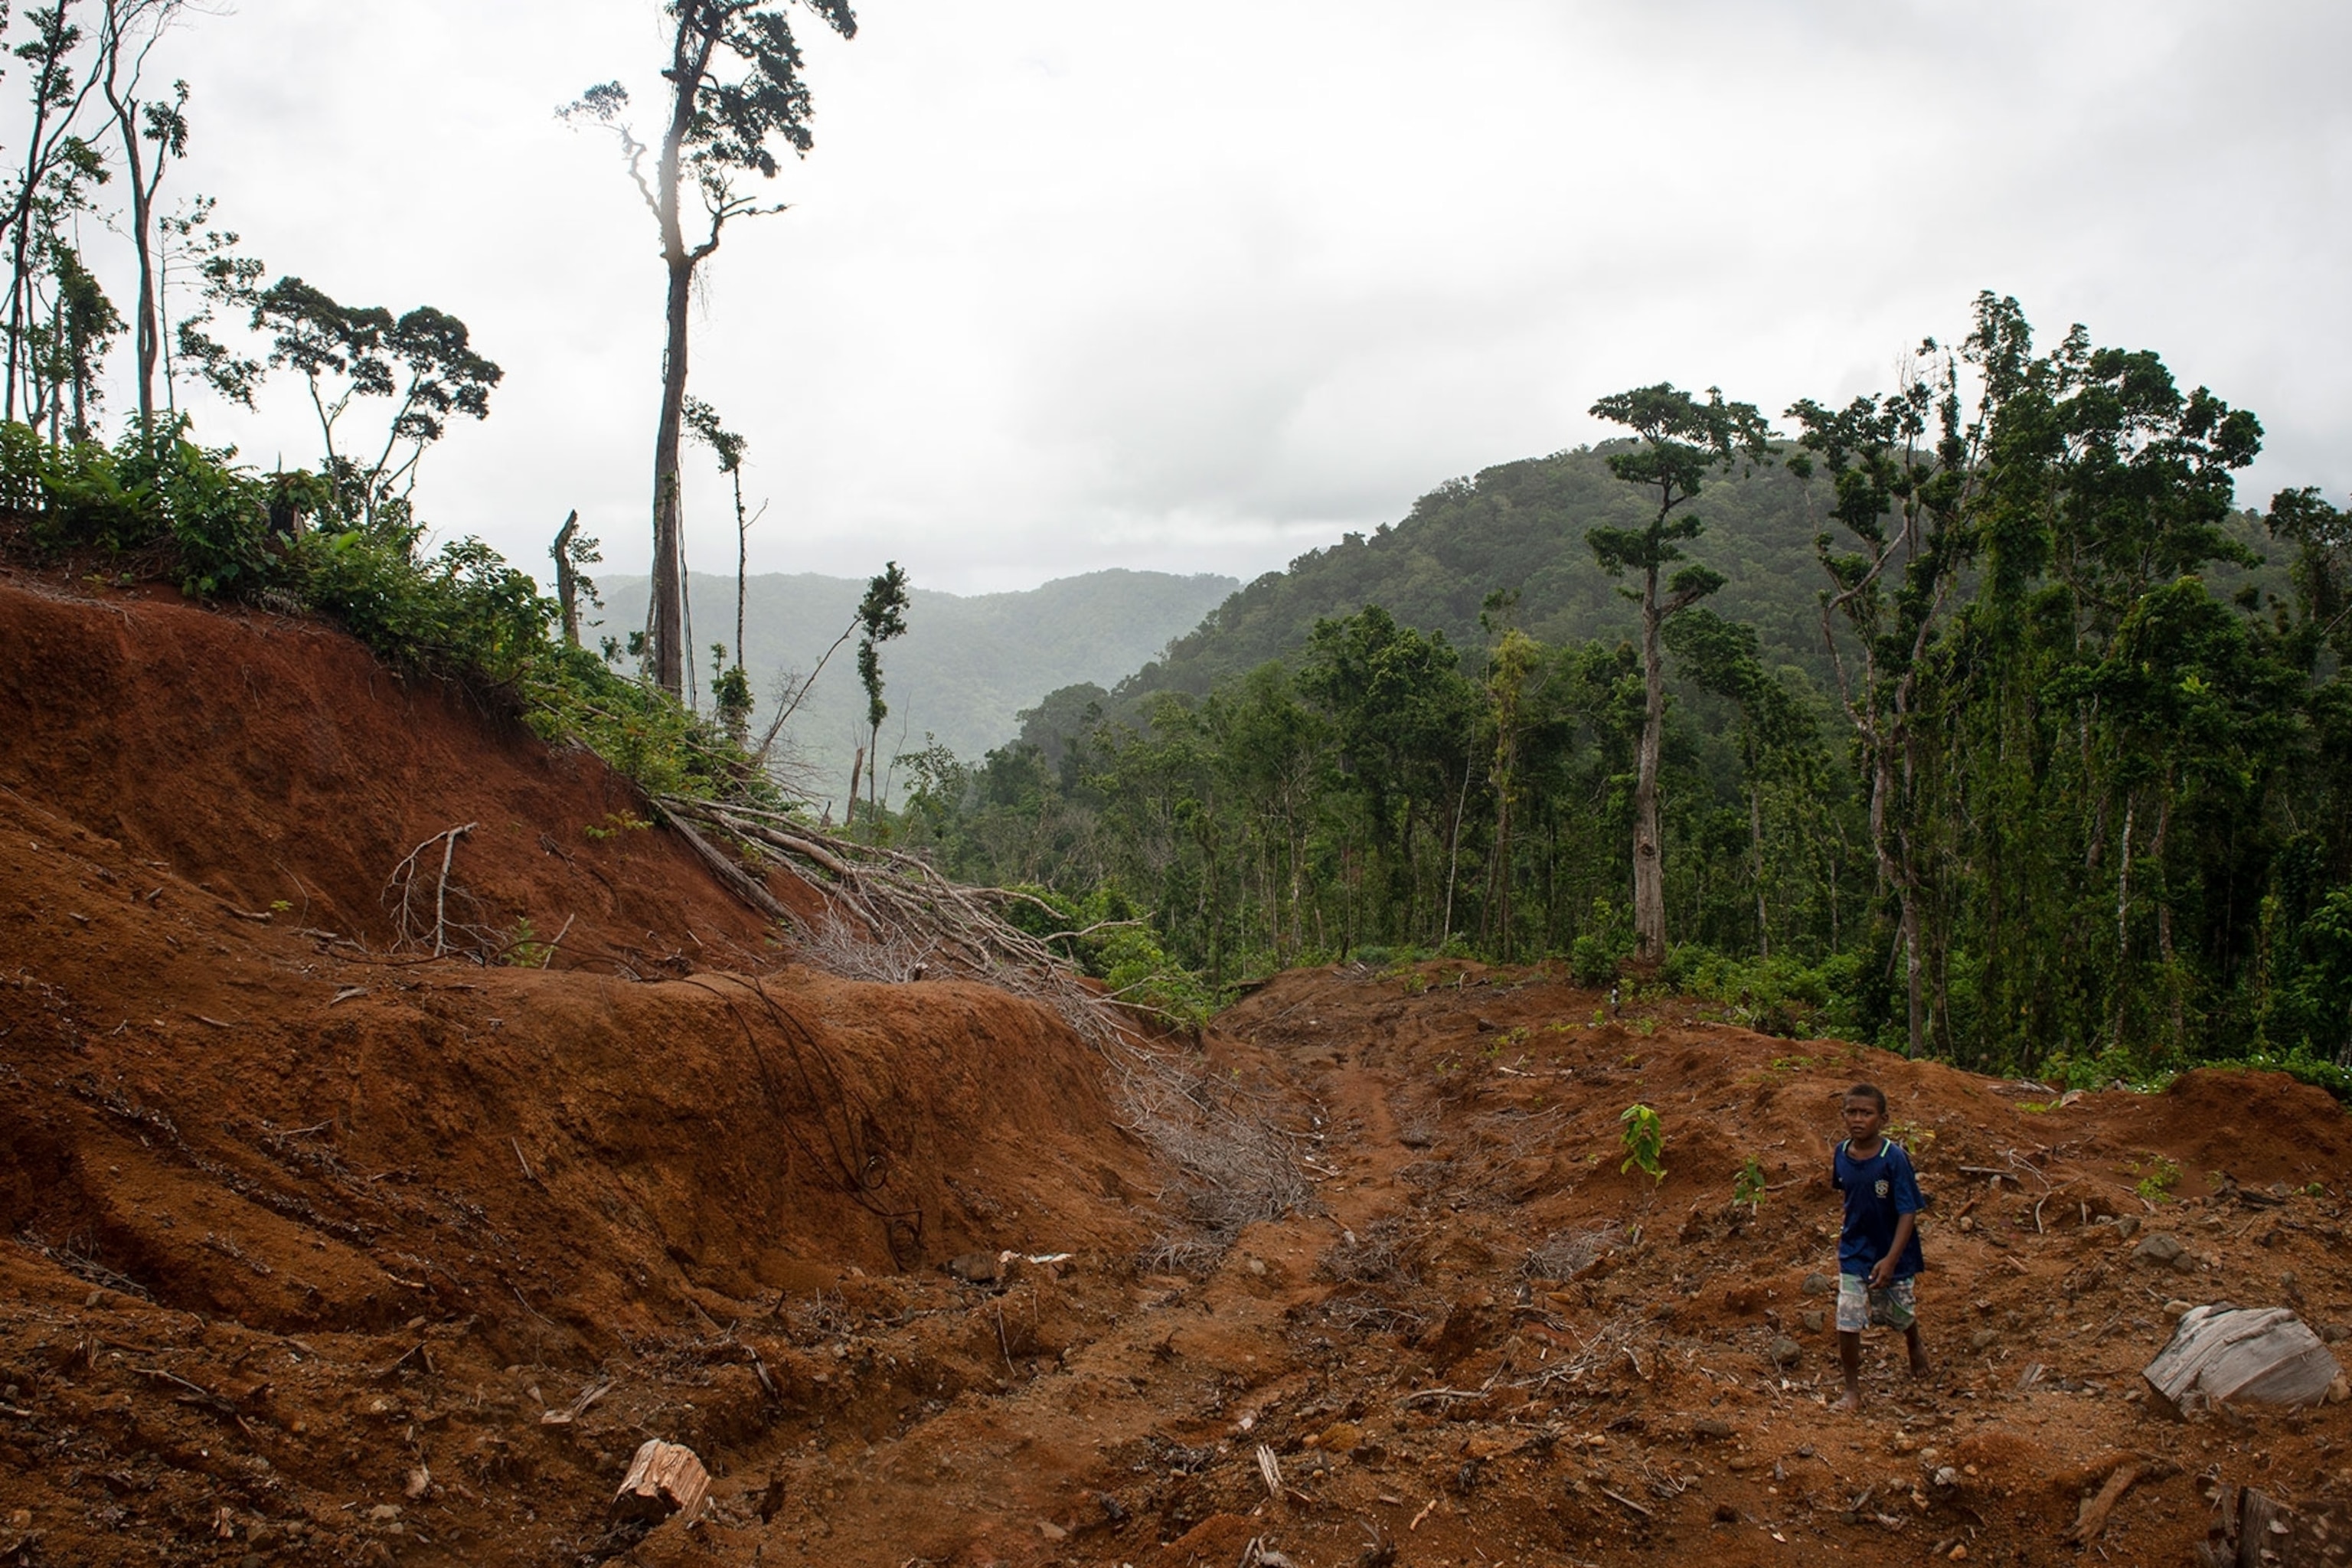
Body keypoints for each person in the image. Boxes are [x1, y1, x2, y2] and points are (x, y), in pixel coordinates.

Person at [1829, 1082, 1929, 1410]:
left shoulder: (1893, 1159)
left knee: (1898, 1313)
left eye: (1866, 1113)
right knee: (1848, 1315)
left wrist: (1890, 1259)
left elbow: (1908, 1211)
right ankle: (1852, 1391)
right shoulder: (1841, 1154)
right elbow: (1846, 1195)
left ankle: (1913, 1342)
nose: (1858, 1120)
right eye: (1852, 1112)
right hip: (1855, 1251)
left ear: (1883, 1119)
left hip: (1892, 1251)